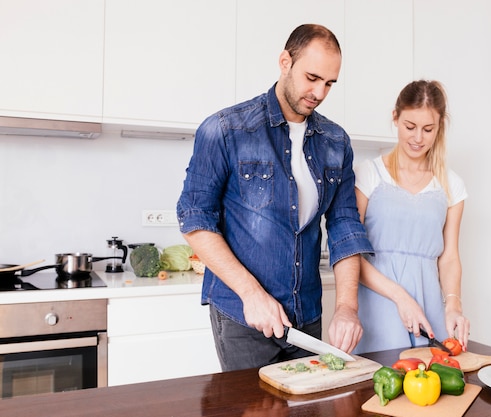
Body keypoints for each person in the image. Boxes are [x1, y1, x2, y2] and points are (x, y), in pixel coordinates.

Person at [176, 24, 373, 371]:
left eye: (329, 83)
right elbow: (194, 219)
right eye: (312, 77)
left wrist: (347, 307)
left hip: (306, 315)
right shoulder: (225, 129)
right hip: (243, 315)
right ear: (285, 61)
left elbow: (345, 226)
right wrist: (251, 293)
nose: (319, 92)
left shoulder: (336, 142)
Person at [352, 80, 470, 354]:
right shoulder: (368, 175)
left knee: (430, 388)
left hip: (428, 306)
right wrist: (400, 297)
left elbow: (449, 256)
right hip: (378, 303)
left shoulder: (452, 185)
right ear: (395, 117)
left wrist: (453, 306)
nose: (418, 138)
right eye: (410, 126)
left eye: (428, 129)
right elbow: (351, 253)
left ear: (440, 125)